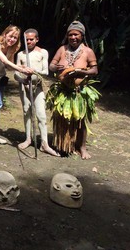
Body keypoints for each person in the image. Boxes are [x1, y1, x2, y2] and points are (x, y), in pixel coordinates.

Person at [48, 21, 99, 159]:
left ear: (82, 35)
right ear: (67, 36)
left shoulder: (88, 51)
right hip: (63, 91)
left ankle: (82, 147)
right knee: (62, 119)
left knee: (81, 121)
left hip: (79, 92)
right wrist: (56, 67)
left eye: (76, 34)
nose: (73, 37)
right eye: (70, 35)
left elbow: (94, 70)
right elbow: (51, 66)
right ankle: (62, 145)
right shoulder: (62, 49)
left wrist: (81, 73)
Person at [0, 25, 34, 145]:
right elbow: (4, 60)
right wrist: (21, 69)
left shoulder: (11, 48)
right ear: (5, 34)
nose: (12, 39)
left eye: (15, 38)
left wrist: (20, 69)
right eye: (10, 36)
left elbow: (8, 66)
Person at [14, 29, 59, 156]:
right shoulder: (21, 54)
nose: (29, 41)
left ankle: (44, 143)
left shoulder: (42, 52)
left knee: (41, 114)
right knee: (26, 111)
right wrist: (22, 79)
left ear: (37, 39)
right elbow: (16, 73)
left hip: (37, 86)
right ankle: (28, 138)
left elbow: (45, 71)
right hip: (24, 86)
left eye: (31, 39)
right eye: (27, 39)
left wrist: (33, 71)